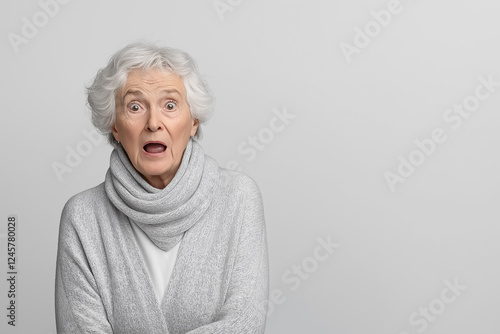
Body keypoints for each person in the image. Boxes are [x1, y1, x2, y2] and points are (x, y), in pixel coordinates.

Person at [55, 41, 269, 333]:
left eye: (170, 105)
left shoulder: (238, 197)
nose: (153, 123)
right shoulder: (83, 216)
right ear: (114, 126)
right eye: (135, 106)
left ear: (193, 121)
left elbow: (245, 323)